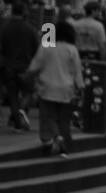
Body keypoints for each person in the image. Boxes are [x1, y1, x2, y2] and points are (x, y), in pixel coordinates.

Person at [26, 19, 84, 157]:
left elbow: (36, 65)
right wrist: (80, 87)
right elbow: (77, 71)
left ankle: (54, 138)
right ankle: (64, 146)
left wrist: (29, 75)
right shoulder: (72, 49)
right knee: (64, 119)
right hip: (67, 88)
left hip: (47, 87)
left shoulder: (47, 46)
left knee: (48, 116)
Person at [1, 0, 39, 130]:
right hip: (26, 67)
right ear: (24, 12)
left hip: (9, 67)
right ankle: (21, 111)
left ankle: (16, 120)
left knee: (12, 95)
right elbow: (37, 48)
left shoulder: (4, 28)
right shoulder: (30, 29)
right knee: (29, 92)